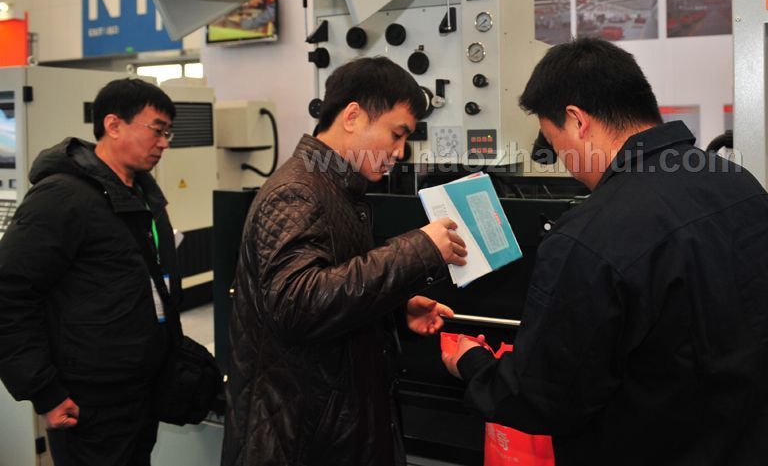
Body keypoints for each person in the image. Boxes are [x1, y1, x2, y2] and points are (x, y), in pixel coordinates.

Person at [442, 38, 768, 465]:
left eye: (555, 142)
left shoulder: (591, 235)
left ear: (577, 121)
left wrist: (473, 363)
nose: (564, 162)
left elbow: (544, 397)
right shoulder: (742, 187)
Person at [223, 57, 468, 466]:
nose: (400, 151)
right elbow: (296, 303)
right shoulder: (297, 191)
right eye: (396, 134)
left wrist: (394, 311)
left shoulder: (338, 190)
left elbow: (333, 291)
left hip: (335, 428)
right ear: (352, 116)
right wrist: (420, 249)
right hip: (300, 438)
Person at [0, 78, 181, 466]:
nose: (164, 143)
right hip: (88, 402)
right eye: (157, 130)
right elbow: (9, 294)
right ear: (113, 125)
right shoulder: (62, 197)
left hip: (138, 392)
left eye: (168, 132)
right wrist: (44, 391)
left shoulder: (143, 196)